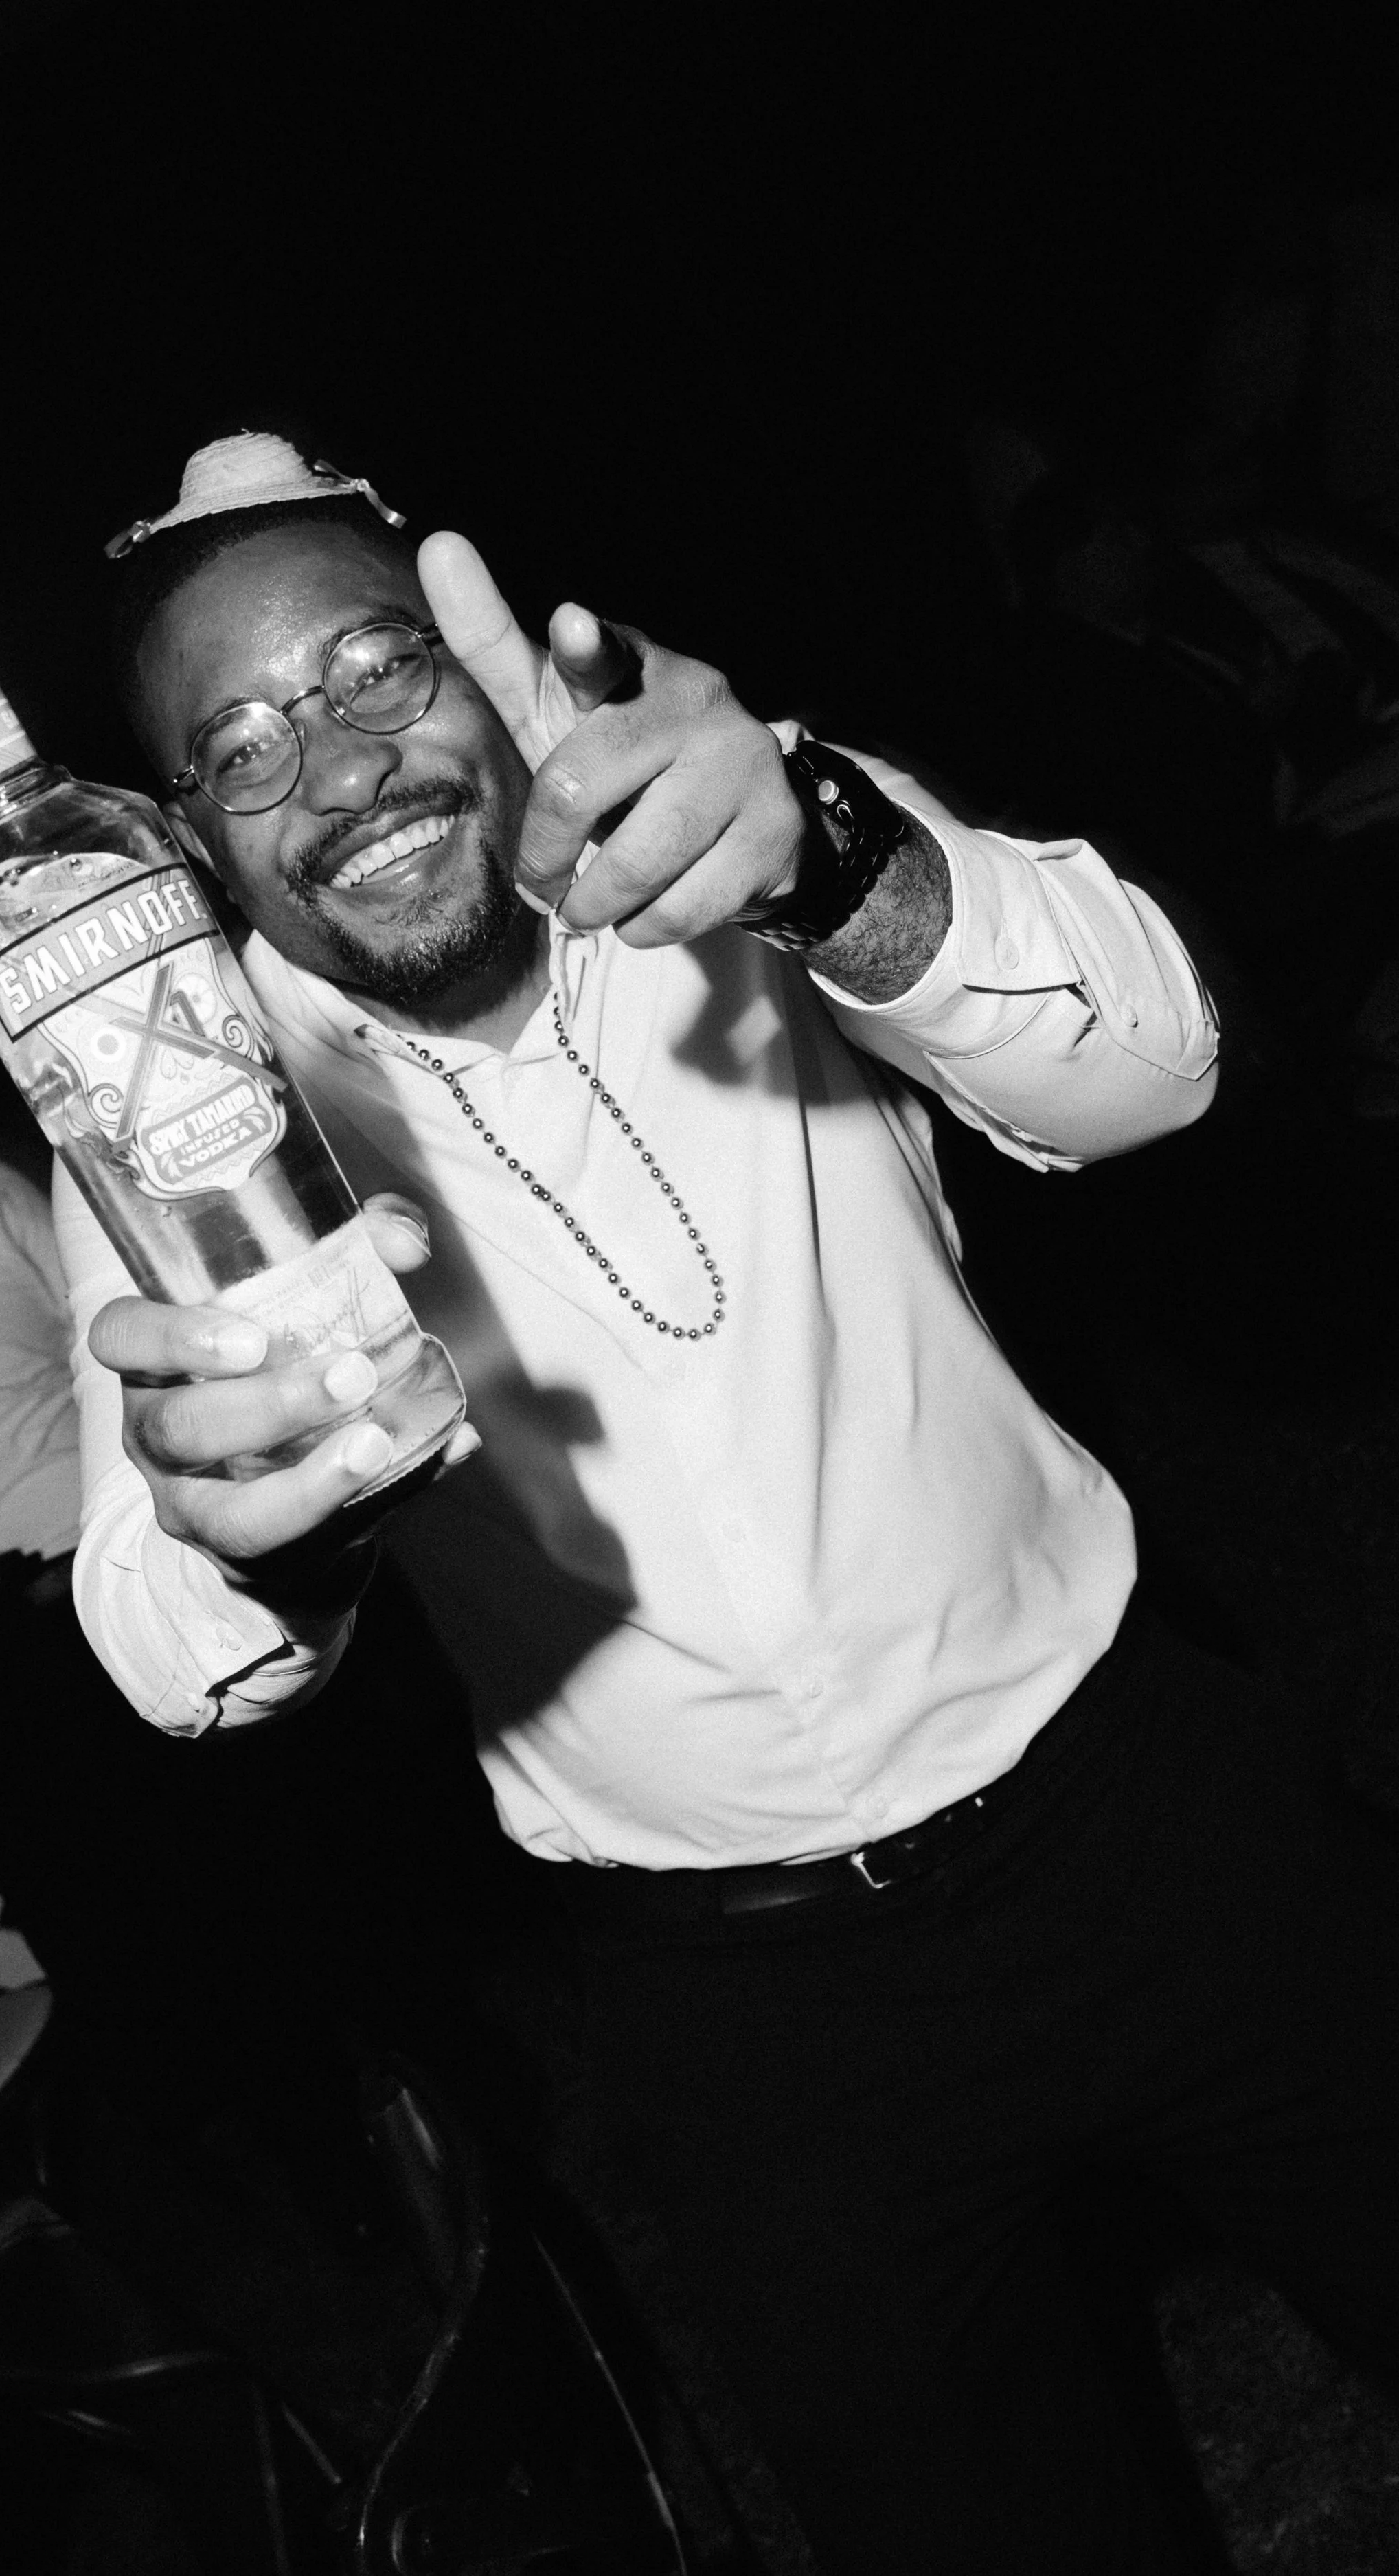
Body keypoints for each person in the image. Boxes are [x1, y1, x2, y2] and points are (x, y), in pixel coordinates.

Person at [67, 433, 1399, 2575]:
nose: (332, 766)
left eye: (373, 667)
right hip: (751, 2013)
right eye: (235, 748)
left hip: (1137, 1806)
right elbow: (164, 1635)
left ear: (490, 675)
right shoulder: (175, 1102)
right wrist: (260, 1531)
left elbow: (1156, 1061)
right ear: (201, 846)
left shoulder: (727, 807)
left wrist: (832, 861)